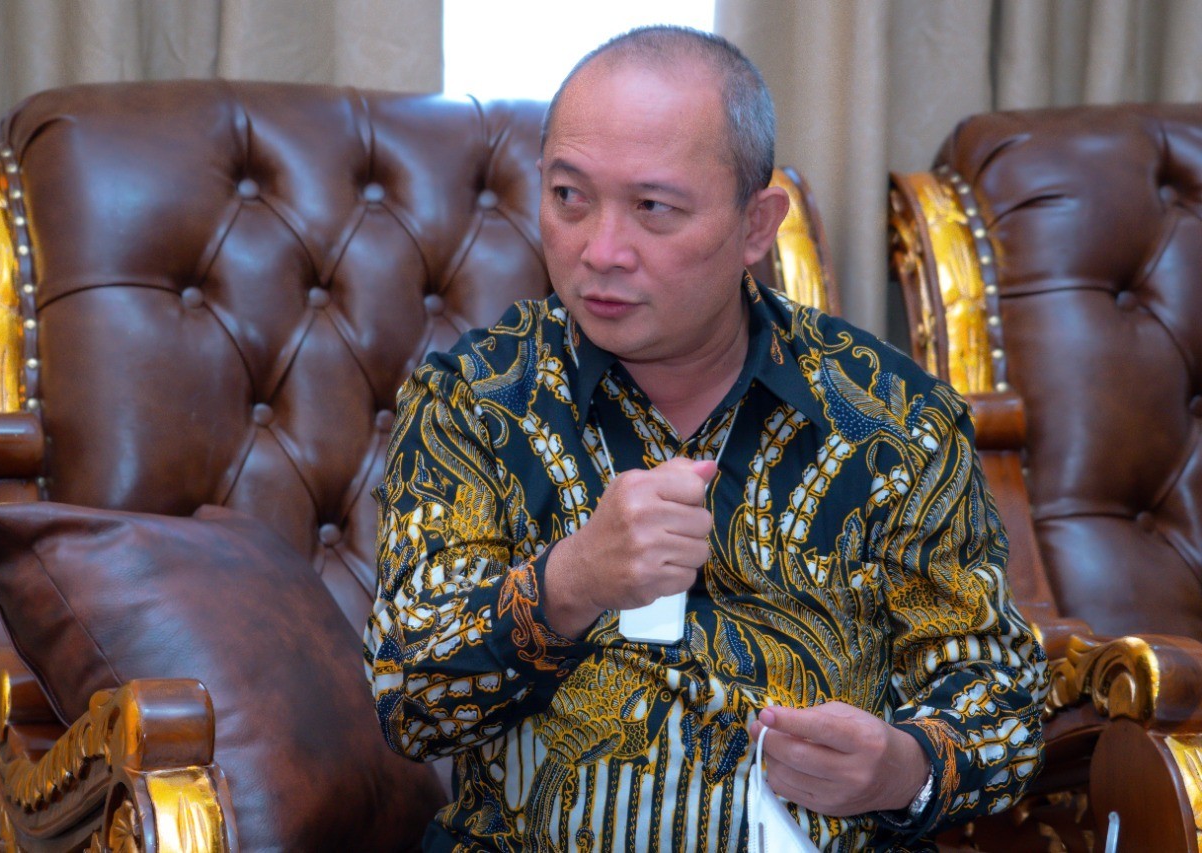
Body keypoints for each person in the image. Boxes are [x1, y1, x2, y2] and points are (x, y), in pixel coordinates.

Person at [365, 25, 1047, 852]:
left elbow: (1001, 698)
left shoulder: (893, 420)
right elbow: (408, 699)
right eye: (569, 197)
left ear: (757, 224)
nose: (600, 251)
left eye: (653, 208)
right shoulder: (475, 401)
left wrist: (902, 767)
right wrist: (568, 581)